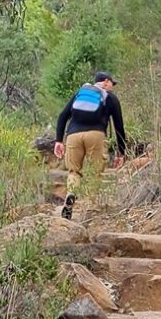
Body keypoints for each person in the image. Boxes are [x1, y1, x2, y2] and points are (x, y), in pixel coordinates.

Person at [55, 71, 126, 219]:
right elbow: (119, 126)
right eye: (112, 83)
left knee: (74, 171)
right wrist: (121, 152)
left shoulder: (79, 94)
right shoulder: (110, 98)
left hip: (73, 136)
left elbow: (62, 116)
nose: (113, 87)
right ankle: (92, 208)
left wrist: (58, 141)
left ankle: (70, 195)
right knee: (95, 172)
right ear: (106, 82)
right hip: (96, 135)